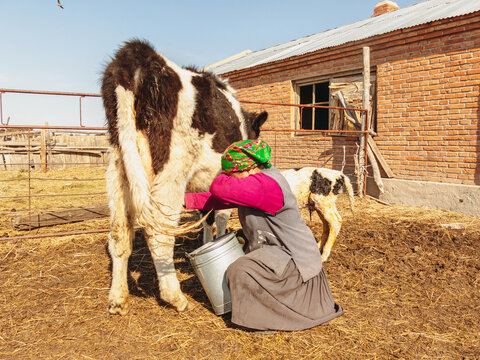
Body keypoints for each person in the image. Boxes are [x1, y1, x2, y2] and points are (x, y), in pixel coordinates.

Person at [184, 139, 343, 331]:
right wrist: (182, 200)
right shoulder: (257, 181)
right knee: (236, 260)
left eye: (231, 173)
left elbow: (219, 189)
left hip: (296, 262)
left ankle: (266, 319)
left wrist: (221, 177)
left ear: (249, 169)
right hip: (281, 253)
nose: (229, 178)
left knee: (239, 269)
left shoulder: (266, 185)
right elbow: (218, 199)